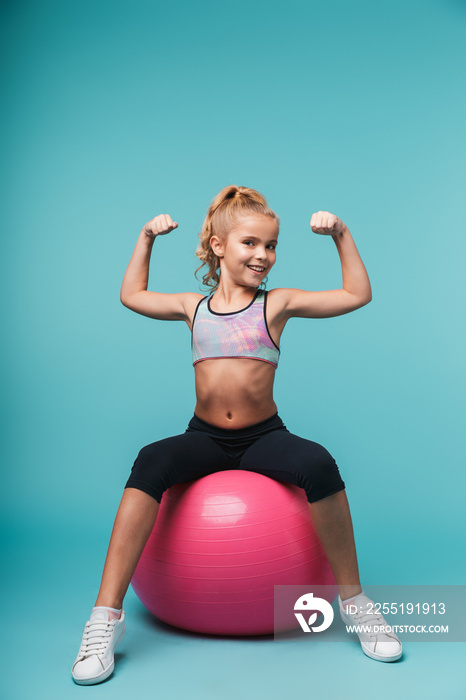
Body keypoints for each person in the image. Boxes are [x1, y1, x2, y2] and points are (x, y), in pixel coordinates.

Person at [71, 185, 402, 685]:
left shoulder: (276, 304)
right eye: (251, 243)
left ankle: (356, 603)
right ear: (219, 246)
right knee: (149, 461)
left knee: (318, 464)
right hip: (205, 437)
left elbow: (357, 294)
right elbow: (131, 295)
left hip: (262, 436)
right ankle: (105, 618)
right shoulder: (193, 307)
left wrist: (342, 235)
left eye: (271, 246)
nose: (263, 255)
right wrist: (146, 239)